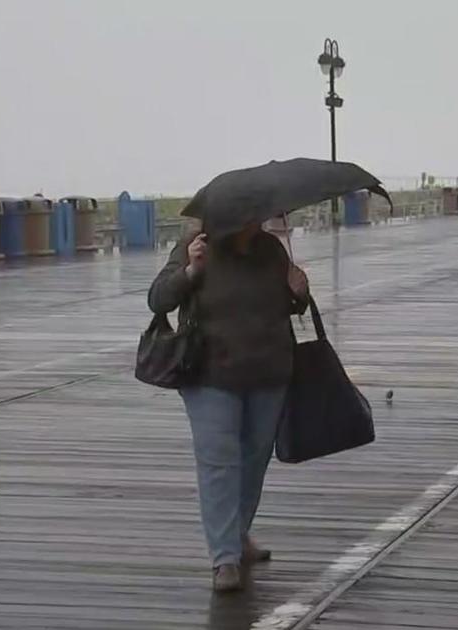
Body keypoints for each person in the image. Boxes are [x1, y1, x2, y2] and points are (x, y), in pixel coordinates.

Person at [148, 220, 310, 592]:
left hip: (268, 372)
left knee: (253, 461)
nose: (254, 220)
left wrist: (299, 292)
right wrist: (190, 271)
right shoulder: (196, 245)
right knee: (219, 461)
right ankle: (224, 558)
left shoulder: (270, 249)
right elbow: (158, 299)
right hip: (209, 375)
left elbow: (288, 305)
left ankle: (237, 534)